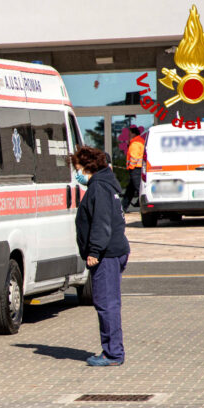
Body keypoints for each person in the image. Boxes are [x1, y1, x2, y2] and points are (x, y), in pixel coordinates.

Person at [70, 146, 130, 366]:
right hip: (114, 251)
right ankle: (113, 350)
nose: (77, 174)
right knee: (109, 303)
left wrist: (94, 251)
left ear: (88, 167)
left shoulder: (99, 188)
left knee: (107, 304)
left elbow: (101, 223)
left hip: (106, 255)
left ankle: (113, 354)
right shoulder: (106, 185)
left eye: (78, 169)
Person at [122, 126, 145, 212]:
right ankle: (123, 207)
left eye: (129, 133)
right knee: (130, 190)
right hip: (138, 168)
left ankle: (143, 204)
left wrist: (130, 168)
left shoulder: (135, 143)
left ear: (133, 134)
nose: (128, 135)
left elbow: (134, 157)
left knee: (138, 188)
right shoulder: (140, 141)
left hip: (135, 169)